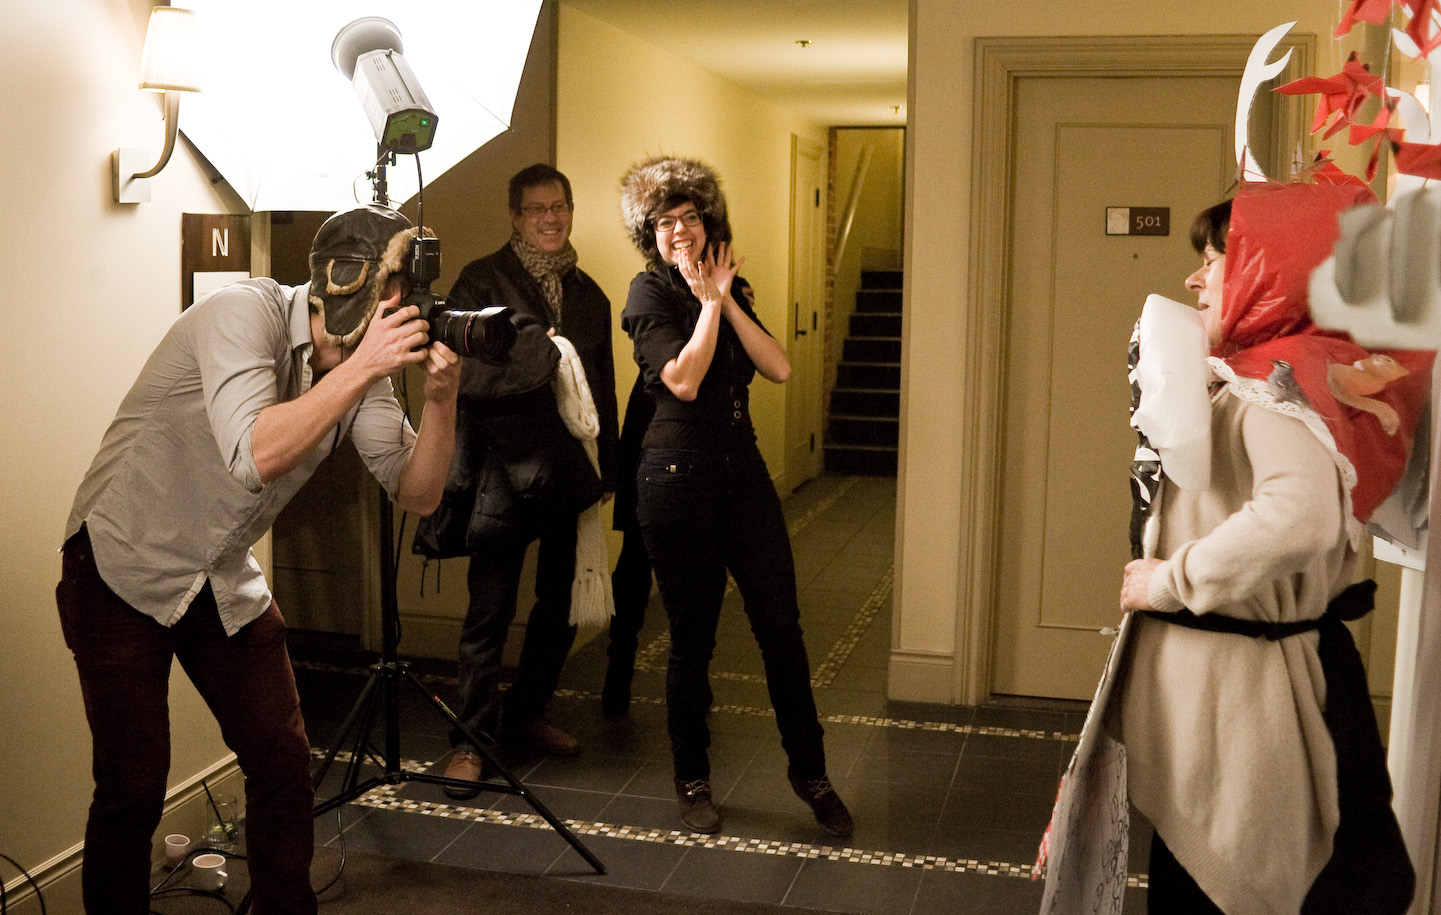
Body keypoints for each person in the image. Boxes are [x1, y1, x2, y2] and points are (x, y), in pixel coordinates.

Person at [56, 205, 462, 915]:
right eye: (397, 289)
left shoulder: (360, 375)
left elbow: (419, 492)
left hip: (217, 572)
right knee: (132, 784)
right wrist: (365, 365)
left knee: (281, 758)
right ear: (351, 282)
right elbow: (256, 456)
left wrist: (441, 398)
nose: (408, 307)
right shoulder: (241, 312)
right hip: (121, 565)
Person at [1112, 182, 1430, 914]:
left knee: (1223, 887)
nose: (1194, 279)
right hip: (1233, 680)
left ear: (1268, 268)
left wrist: (1172, 580)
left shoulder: (1275, 387)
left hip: (1245, 693)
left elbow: (1299, 518)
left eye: (1213, 260)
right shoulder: (1276, 373)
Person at [617, 154, 853, 837]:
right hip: (674, 478)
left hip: (741, 472)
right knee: (691, 637)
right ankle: (692, 778)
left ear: (709, 223)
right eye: (664, 222)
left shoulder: (730, 286)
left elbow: (778, 366)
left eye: (690, 217)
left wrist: (725, 296)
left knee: (781, 626)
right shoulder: (647, 294)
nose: (679, 231)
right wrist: (708, 305)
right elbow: (684, 380)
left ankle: (810, 772)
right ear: (650, 235)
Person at [418, 163, 618, 796]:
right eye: (537, 209)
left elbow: (602, 385)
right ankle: (471, 741)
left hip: (568, 468)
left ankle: (528, 711)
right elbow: (459, 371)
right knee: (490, 609)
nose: (550, 219)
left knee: (558, 604)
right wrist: (539, 355)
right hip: (499, 472)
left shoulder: (589, 295)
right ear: (515, 216)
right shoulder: (481, 281)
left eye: (559, 207)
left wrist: (607, 466)